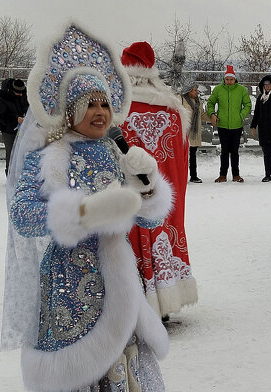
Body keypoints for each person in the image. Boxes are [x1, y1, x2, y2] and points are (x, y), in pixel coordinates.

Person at [2, 22, 175, 392]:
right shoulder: (51, 157)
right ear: (72, 112)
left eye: (104, 103)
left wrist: (146, 190)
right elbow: (24, 214)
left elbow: (149, 212)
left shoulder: (121, 151)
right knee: (85, 377)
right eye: (89, 105)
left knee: (133, 374)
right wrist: (76, 216)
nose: (100, 113)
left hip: (121, 279)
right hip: (72, 286)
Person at [119, 41, 200, 318]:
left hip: (129, 195)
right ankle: (165, 301)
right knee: (164, 233)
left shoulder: (117, 107)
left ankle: (135, 304)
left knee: (128, 241)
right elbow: (180, 159)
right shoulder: (174, 110)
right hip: (165, 196)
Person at [205, 65, 251, 182]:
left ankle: (236, 175)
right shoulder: (218, 90)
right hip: (222, 125)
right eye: (227, 79)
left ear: (235, 79)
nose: (229, 81)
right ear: (224, 79)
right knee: (225, 151)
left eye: (231, 79)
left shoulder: (241, 90)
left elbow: (248, 105)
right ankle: (223, 175)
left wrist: (241, 115)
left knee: (235, 151)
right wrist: (213, 114)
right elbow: (210, 103)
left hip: (237, 125)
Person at [0, 78, 29, 175]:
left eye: (22, 93)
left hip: (23, 127)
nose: (21, 95)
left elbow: (26, 106)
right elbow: (1, 114)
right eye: (18, 93)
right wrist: (16, 118)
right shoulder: (2, 95)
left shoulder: (23, 93)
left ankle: (22, 174)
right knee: (11, 153)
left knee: (23, 151)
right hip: (7, 128)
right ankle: (10, 174)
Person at [180, 81, 204, 183]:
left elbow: (202, 114)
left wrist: (213, 119)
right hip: (184, 131)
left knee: (193, 154)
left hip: (194, 132)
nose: (196, 92)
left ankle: (193, 176)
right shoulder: (180, 99)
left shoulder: (198, 101)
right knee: (182, 155)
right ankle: (181, 176)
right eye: (195, 90)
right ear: (189, 90)